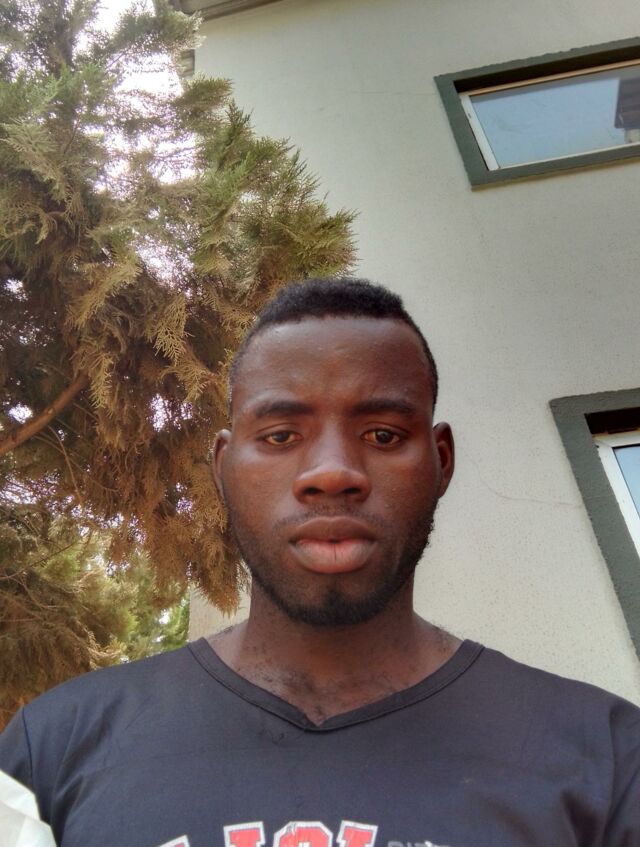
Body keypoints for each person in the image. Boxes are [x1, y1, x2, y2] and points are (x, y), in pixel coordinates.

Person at [0, 277, 638, 847]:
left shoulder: (610, 760)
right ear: (223, 468)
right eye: (280, 436)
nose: (333, 473)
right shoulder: (52, 750)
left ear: (441, 461)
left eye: (383, 434)